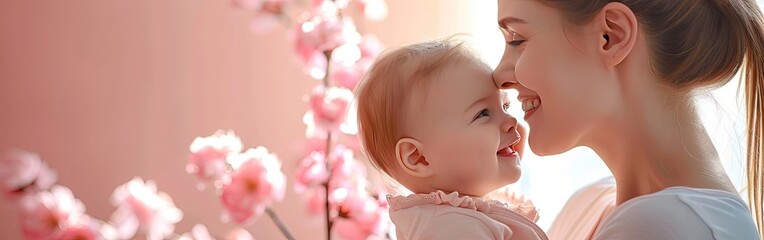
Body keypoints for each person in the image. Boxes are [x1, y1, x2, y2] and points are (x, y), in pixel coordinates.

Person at [492, 0, 764, 239]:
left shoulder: (661, 225)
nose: (499, 75)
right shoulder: (592, 204)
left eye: (517, 38)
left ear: (611, 35)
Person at [355, 38, 548, 239]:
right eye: (482, 113)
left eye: (505, 107)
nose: (510, 120)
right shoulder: (451, 228)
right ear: (419, 158)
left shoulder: (463, 217)